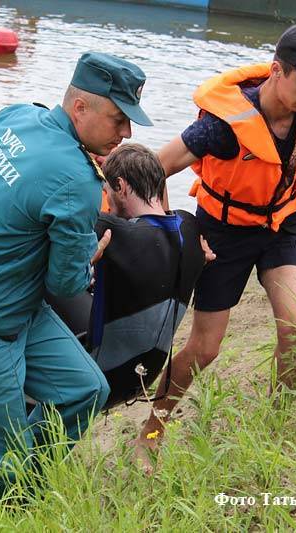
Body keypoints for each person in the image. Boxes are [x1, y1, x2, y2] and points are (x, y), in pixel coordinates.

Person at [135, 24, 296, 459]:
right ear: (277, 70)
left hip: (283, 228)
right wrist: (166, 227)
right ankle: (150, 434)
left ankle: (275, 429)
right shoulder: (223, 127)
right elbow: (154, 170)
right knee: (204, 349)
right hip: (223, 235)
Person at [0, 52, 152, 493]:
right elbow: (65, 283)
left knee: (82, 391)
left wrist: (12, 207)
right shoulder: (79, 180)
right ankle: (5, 491)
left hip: (16, 304)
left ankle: (24, 492)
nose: (126, 133)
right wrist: (88, 258)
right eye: (118, 118)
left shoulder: (19, 116)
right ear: (80, 107)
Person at [47, 143, 208, 409]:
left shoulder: (115, 232)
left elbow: (53, 219)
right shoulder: (189, 226)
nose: (106, 200)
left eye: (107, 190)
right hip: (144, 377)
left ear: (120, 186)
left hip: (103, 377)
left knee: (41, 277)